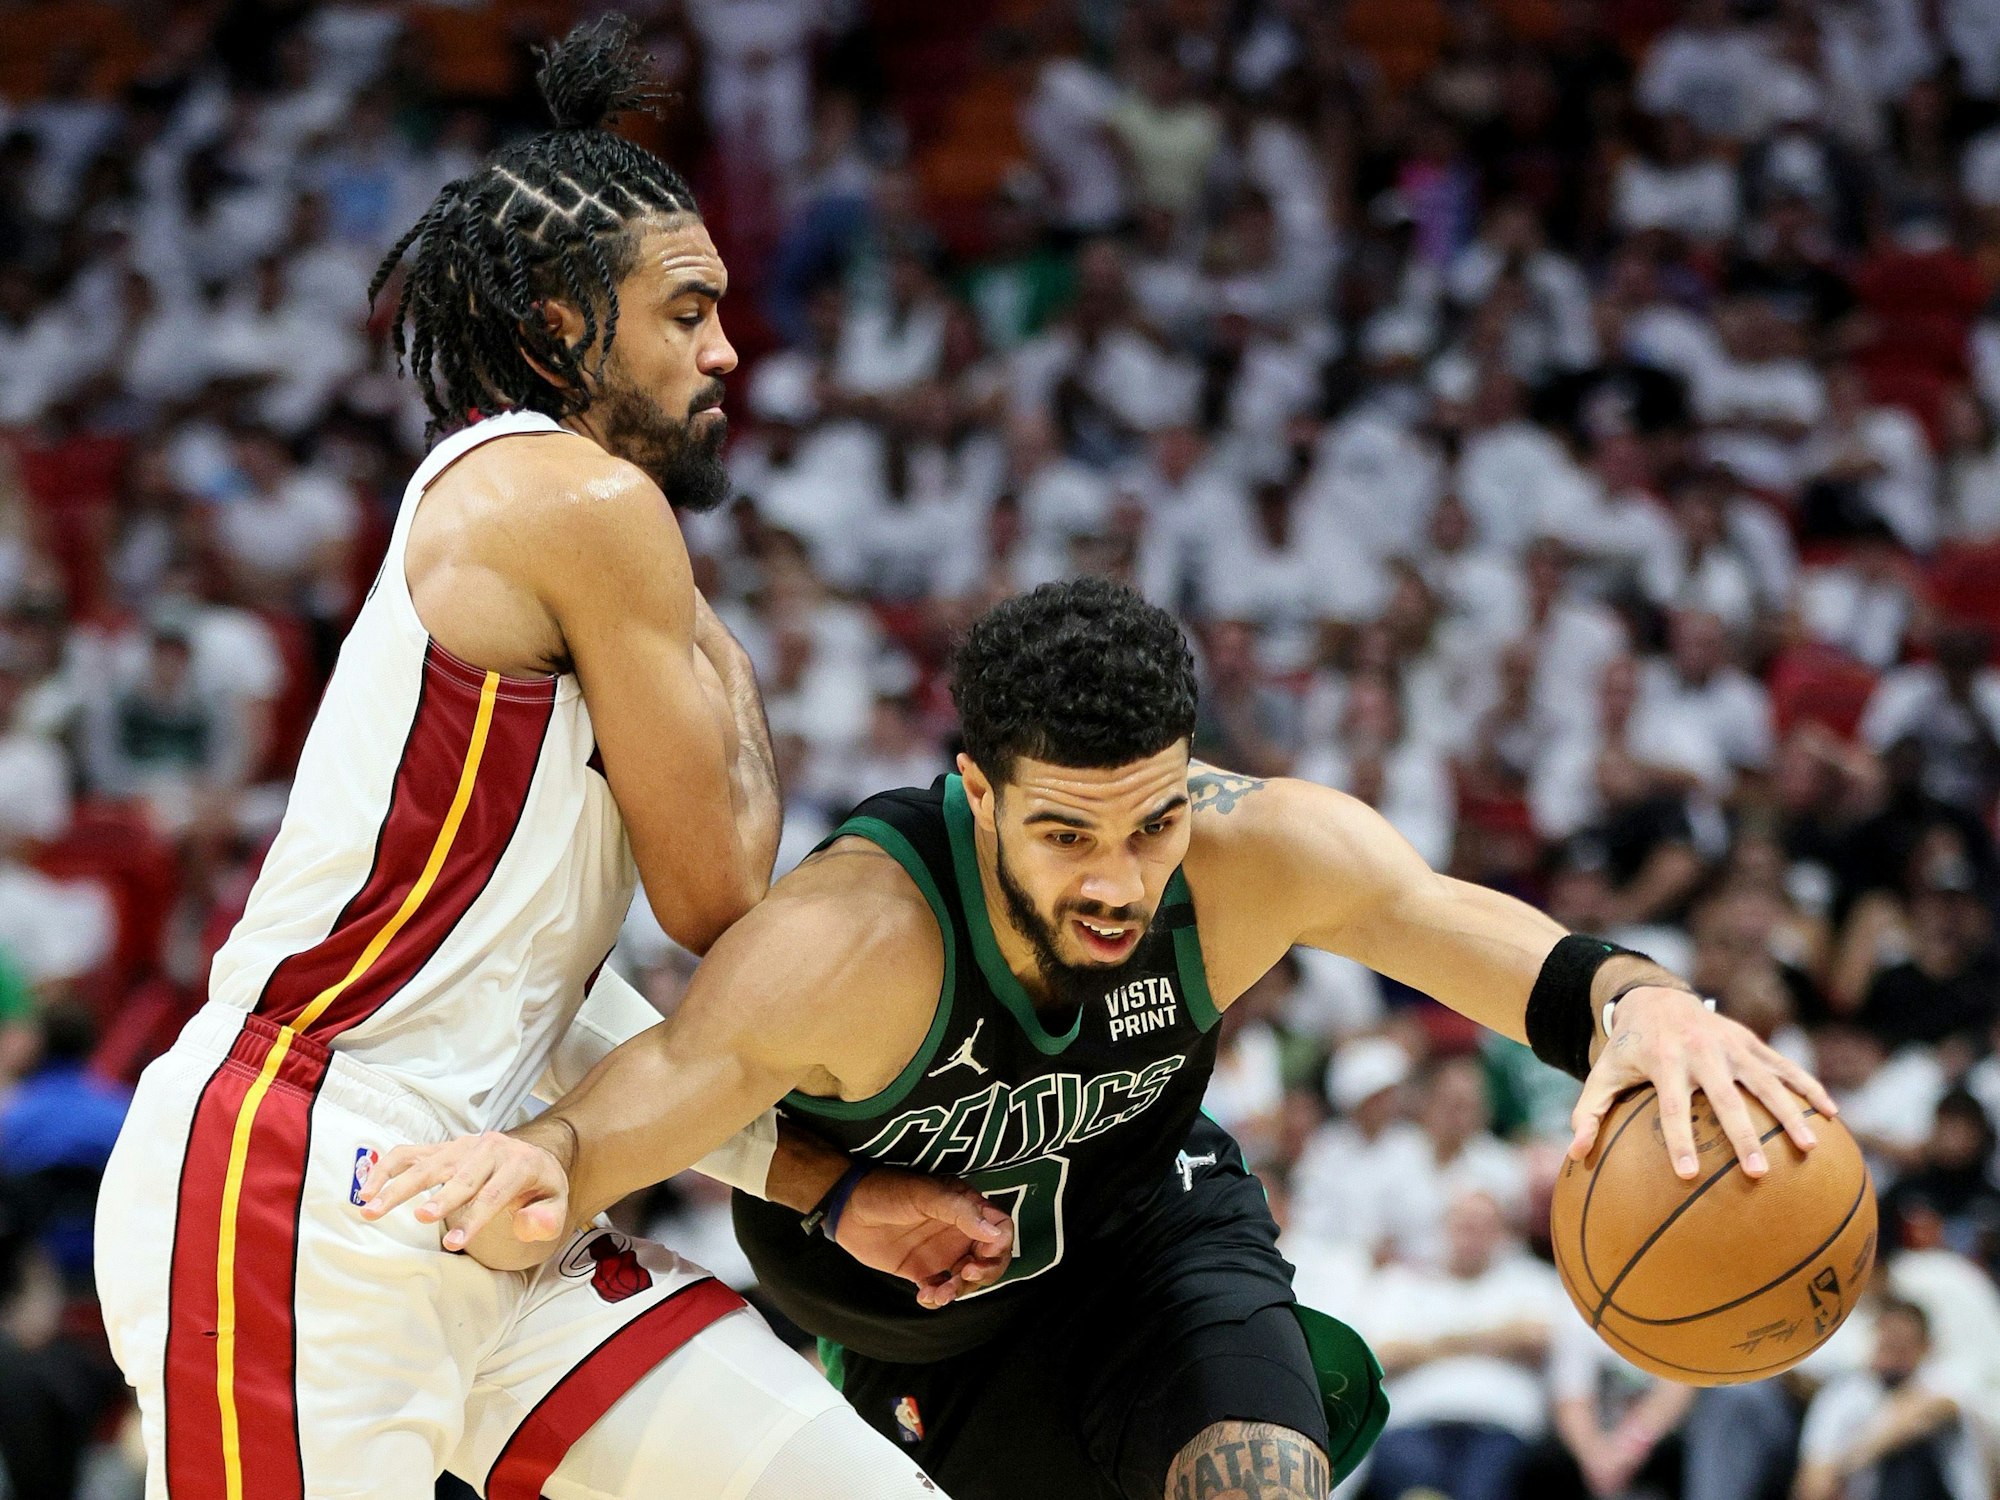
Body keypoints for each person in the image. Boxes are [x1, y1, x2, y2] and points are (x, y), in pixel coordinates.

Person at [368, 577, 1837, 1500]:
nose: (1121, 880)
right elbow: (673, 1088)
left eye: (1153, 820)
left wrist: (1642, 1006)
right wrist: (543, 1162)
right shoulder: (854, 943)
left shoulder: (1253, 855)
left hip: (1152, 1240)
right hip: (913, 1334)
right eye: (1067, 833)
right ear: (981, 796)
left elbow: (1439, 920)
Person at [91, 20, 994, 1500]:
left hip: (500, 1186)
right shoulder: (576, 499)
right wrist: (730, 658)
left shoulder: (572, 537)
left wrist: (823, 1189)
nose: (729, 349)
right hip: (298, 1174)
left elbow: (543, 1001)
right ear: (564, 331)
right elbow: (719, 895)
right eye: (686, 312)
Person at [1795, 1299, 1989, 1500]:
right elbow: (1813, 1481)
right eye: (1887, 1340)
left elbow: (1928, 1412)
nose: (1892, 1351)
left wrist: (1853, 1459)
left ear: (1924, 1347)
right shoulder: (1843, 1394)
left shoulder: (1943, 1377)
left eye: (1902, 1343)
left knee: (1909, 1454)